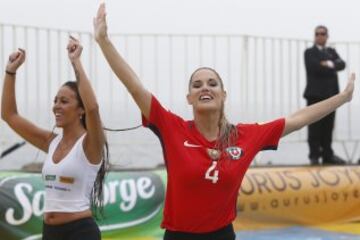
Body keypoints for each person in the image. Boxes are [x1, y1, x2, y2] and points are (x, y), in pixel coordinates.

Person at [94, 4, 355, 239]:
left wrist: (342, 98)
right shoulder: (171, 127)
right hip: (179, 236)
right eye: (197, 85)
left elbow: (298, 119)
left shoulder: (245, 136)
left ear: (223, 95)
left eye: (212, 83)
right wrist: (104, 41)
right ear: (189, 98)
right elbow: (136, 88)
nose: (204, 88)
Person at [1, 36, 108, 240]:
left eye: (64, 101)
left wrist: (76, 63)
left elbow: (93, 107)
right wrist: (10, 71)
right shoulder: (51, 142)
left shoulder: (90, 145)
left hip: (80, 232)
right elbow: (9, 115)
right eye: (55, 100)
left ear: (80, 110)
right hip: (50, 232)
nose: (56, 106)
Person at [304, 25, 347, 165]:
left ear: (327, 36)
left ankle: (328, 155)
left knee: (328, 127)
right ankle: (314, 156)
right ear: (314, 36)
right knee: (314, 126)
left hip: (331, 96)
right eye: (317, 33)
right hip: (315, 95)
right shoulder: (309, 52)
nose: (320, 36)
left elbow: (342, 64)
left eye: (322, 33)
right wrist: (331, 65)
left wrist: (327, 64)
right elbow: (314, 67)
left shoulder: (331, 51)